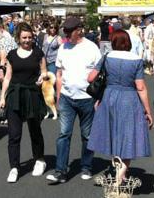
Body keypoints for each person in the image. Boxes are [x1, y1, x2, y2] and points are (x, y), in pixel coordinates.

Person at [87, 31, 153, 177]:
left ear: (113, 42)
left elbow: (91, 77)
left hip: (109, 97)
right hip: (129, 98)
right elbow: (140, 87)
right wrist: (148, 111)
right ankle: (121, 172)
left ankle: (118, 170)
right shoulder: (136, 60)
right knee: (128, 135)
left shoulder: (107, 57)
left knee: (113, 132)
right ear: (128, 42)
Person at [47, 16, 100, 184]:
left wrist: (99, 98)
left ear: (79, 30)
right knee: (64, 134)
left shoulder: (92, 48)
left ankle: (86, 166)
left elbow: (99, 74)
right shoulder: (63, 47)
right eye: (66, 32)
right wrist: (58, 95)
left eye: (70, 32)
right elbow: (59, 73)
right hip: (67, 98)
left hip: (87, 98)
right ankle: (60, 171)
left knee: (87, 135)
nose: (67, 35)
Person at [0, 23, 48, 183]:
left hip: (33, 95)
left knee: (35, 131)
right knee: (14, 134)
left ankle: (39, 159)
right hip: (15, 95)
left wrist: (43, 77)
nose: (27, 41)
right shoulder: (11, 55)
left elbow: (44, 71)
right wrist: (2, 97)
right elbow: (7, 77)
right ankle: (14, 167)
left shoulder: (38, 53)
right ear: (18, 38)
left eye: (30, 37)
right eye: (24, 38)